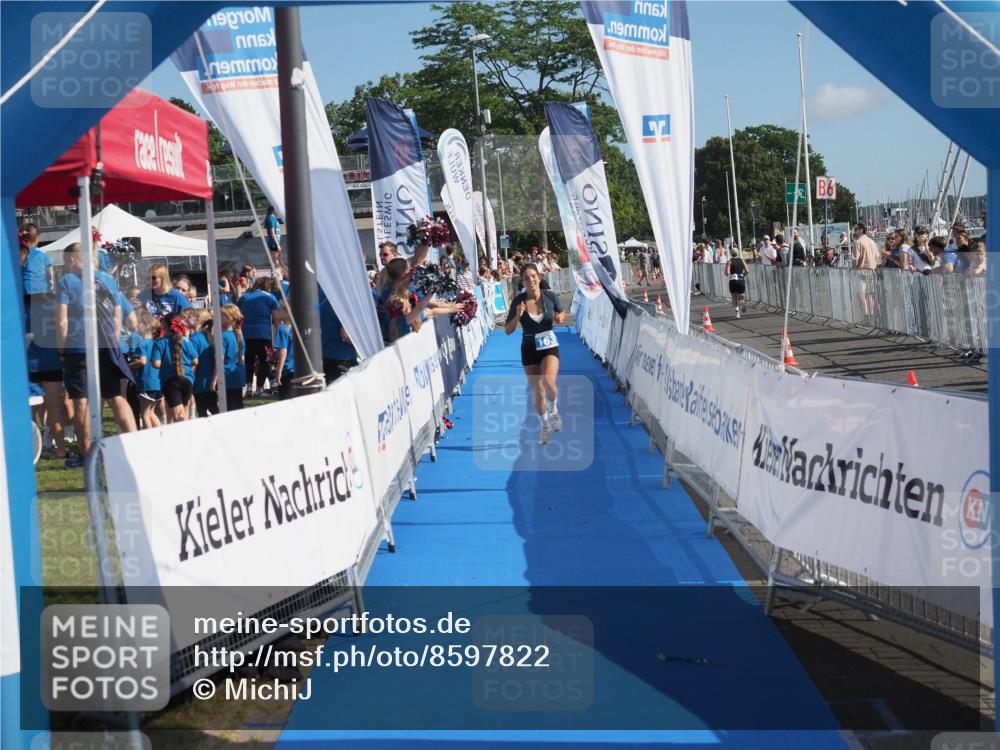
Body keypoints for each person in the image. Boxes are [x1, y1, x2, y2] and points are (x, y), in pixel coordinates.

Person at [56, 243, 137, 465]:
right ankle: (136, 446)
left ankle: (87, 456)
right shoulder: (108, 280)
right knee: (115, 397)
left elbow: (62, 321)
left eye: (65, 260)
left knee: (82, 402)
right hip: (106, 346)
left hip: (78, 347)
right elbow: (117, 317)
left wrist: (61, 350)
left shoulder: (65, 282)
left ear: (72, 259)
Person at [504, 263, 565, 445]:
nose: (530, 280)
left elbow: (561, 312)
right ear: (522, 281)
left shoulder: (550, 296)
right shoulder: (519, 301)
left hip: (549, 345)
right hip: (529, 346)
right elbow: (508, 330)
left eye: (533, 276)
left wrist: (559, 317)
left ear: (539, 277)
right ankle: (545, 426)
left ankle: (554, 410)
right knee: (537, 392)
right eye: (526, 277)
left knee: (548, 381)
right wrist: (517, 316)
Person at [152, 312, 199, 423]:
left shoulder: (160, 342)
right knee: (183, 414)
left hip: (170, 382)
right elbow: (195, 360)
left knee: (178, 417)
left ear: (166, 326)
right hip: (187, 380)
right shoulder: (186, 340)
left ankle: (182, 438)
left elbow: (156, 363)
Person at [238, 276, 280, 397]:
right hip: (264, 334)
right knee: (264, 361)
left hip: (247, 334)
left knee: (249, 361)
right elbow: (276, 318)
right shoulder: (270, 297)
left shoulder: (244, 297)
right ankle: (260, 389)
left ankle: (249, 387)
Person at [318, 288, 358, 384]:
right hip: (343, 358)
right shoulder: (345, 303)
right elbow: (345, 335)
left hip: (324, 355)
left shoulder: (322, 297)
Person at [134, 311, 163, 429]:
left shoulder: (142, 343)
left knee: (144, 414)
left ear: (147, 327)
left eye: (140, 324)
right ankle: (161, 435)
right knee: (151, 412)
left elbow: (142, 361)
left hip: (146, 382)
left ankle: (149, 438)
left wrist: (128, 366)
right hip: (158, 382)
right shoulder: (157, 343)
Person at [219, 304, 246, 411]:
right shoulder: (239, 335)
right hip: (238, 374)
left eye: (221, 315)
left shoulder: (223, 336)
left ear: (229, 318)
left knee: (229, 406)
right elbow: (242, 357)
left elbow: (220, 357)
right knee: (238, 404)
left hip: (227, 375)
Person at [273, 302, 295, 400]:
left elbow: (283, 351)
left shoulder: (282, 329)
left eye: (279, 310)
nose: (277, 312)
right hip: (300, 369)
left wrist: (278, 372)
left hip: (287, 369)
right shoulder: (299, 328)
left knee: (285, 399)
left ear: (287, 312)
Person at [725, 248, 749, 319]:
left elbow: (727, 273)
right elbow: (747, 271)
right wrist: (742, 275)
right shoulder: (742, 260)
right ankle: (742, 302)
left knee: (734, 297)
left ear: (731, 254)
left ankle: (737, 313)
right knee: (742, 295)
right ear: (738, 253)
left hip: (733, 280)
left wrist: (729, 272)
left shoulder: (729, 261)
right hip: (740, 279)